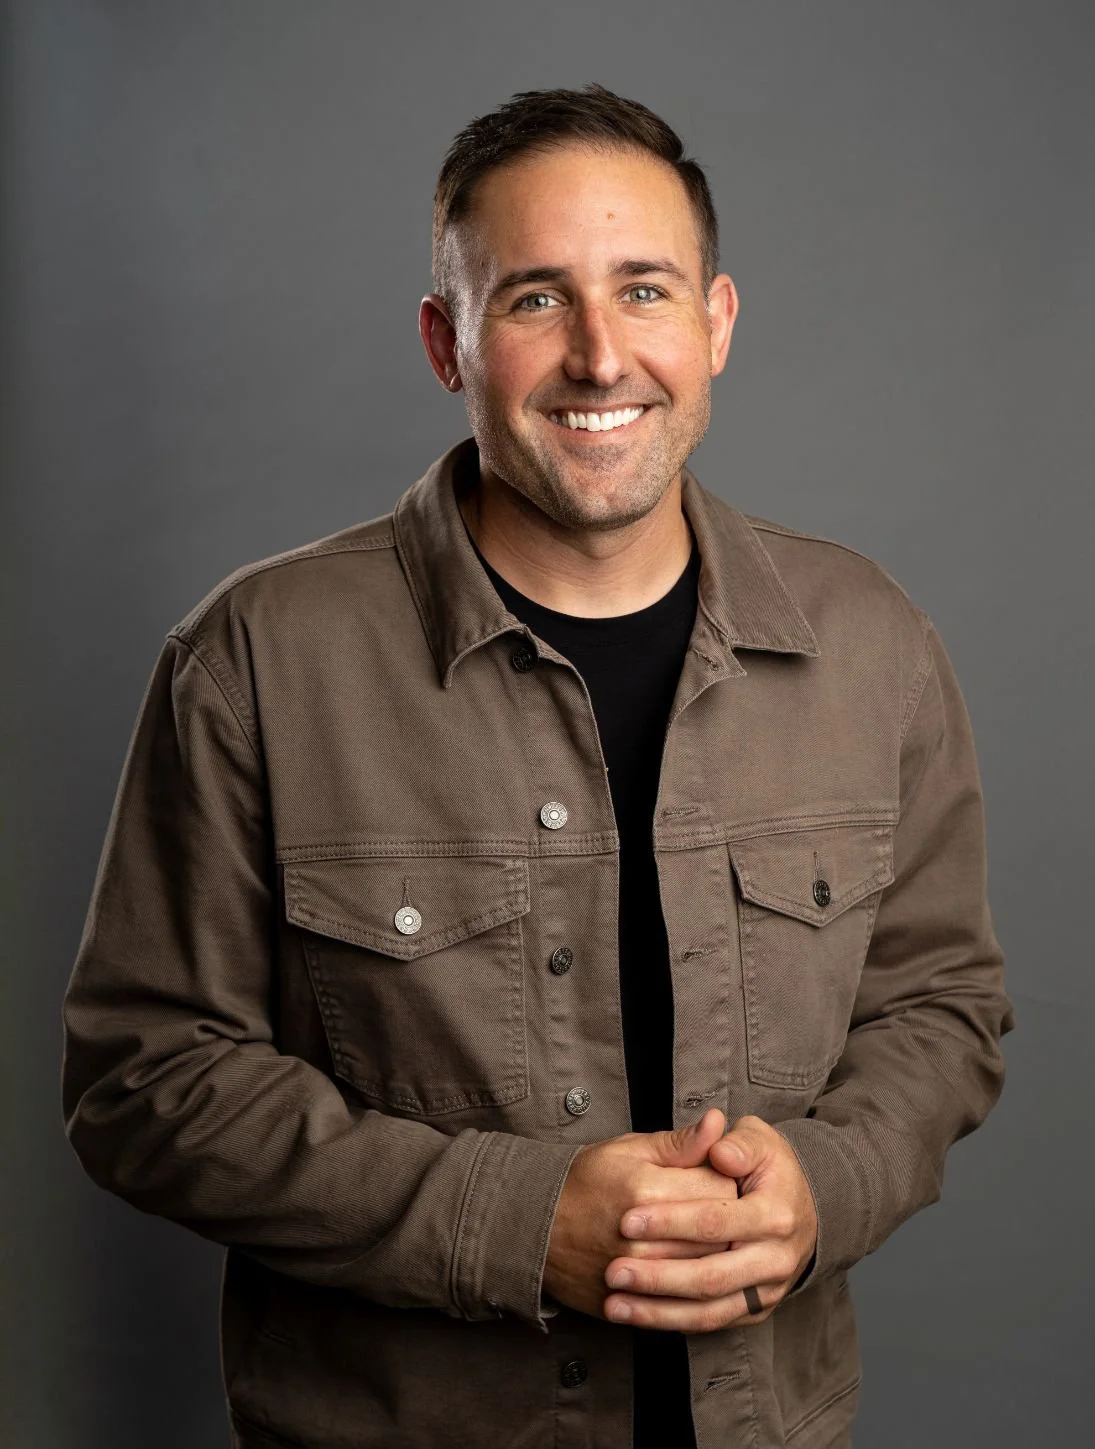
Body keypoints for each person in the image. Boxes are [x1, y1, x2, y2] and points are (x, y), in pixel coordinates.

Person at [61, 84, 1015, 1449]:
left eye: (642, 290)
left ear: (716, 324)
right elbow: (146, 1077)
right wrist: (512, 1227)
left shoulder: (870, 644)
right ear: (447, 341)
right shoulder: (255, 660)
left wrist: (830, 1180)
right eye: (531, 300)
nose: (597, 355)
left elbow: (940, 1006)